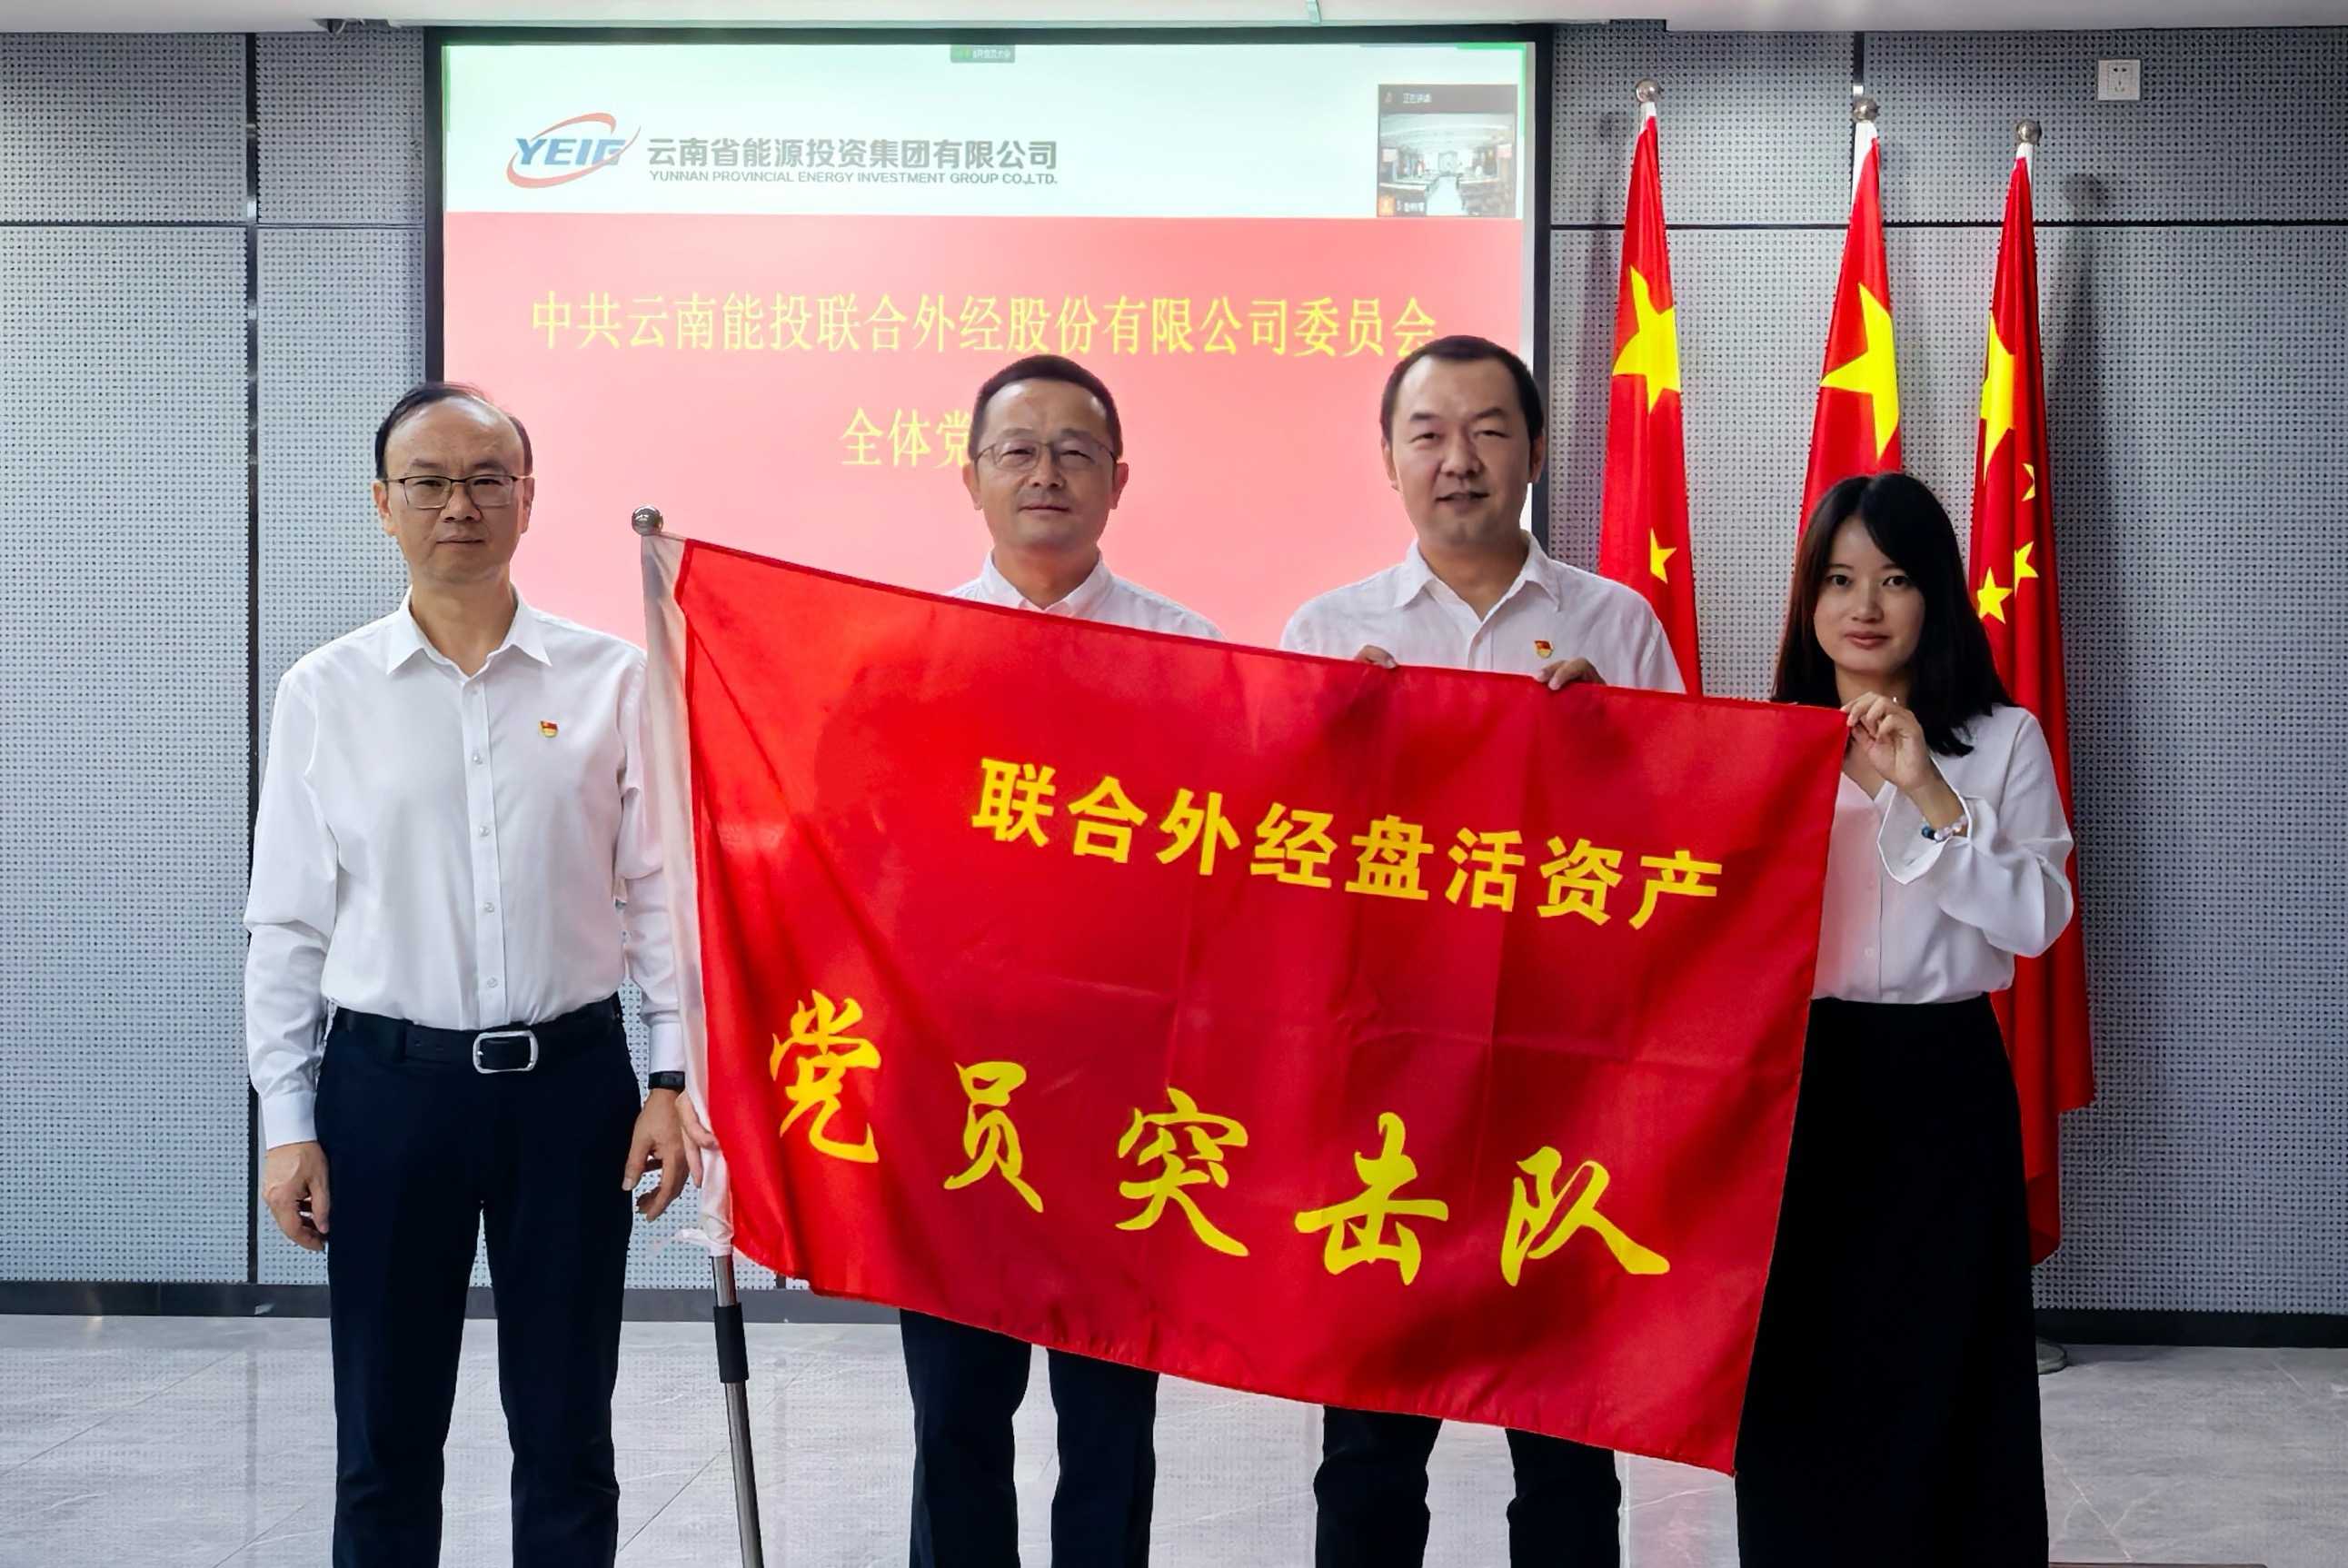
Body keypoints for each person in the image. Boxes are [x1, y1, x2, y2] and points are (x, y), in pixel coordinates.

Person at [245, 382, 715, 1568]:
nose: (459, 504)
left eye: (486, 480)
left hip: (571, 1090)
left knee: (567, 1431)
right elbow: (287, 925)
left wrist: (672, 1078)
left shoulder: (611, 680)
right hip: (386, 1092)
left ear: (526, 498)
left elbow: (661, 893)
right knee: (385, 1435)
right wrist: (288, 1123)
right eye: (429, 483)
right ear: (383, 504)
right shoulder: (323, 693)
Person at [1281, 334, 1681, 1568]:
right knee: (1370, 1435)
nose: (1458, 459)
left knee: (1563, 1433)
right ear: (1389, 457)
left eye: (1488, 429)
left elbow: (1682, 843)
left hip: (1558, 1075)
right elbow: (1274, 864)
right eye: (1429, 433)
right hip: (1386, 1073)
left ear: (1536, 449)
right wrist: (1327, 748)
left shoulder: (1615, 624)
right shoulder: (1324, 631)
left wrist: (1612, 749)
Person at [903, 352, 1217, 1568]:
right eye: (1018, 451)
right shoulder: (910, 654)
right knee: (954, 1416)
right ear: (970, 477)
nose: (1046, 473)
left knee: (1110, 1423)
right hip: (955, 1091)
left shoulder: (1190, 658)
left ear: (1117, 480)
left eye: (1075, 452)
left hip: (1123, 1097)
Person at [1736, 471, 2069, 1564]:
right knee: (1801, 1362)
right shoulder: (1763, 742)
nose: (1864, 606)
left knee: (1946, 1362)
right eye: (1838, 580)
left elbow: (2036, 920)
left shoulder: (2002, 739)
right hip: (1801, 1082)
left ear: (1935, 593)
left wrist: (1926, 789)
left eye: (1892, 578)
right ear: (1808, 600)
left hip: (1943, 1078)